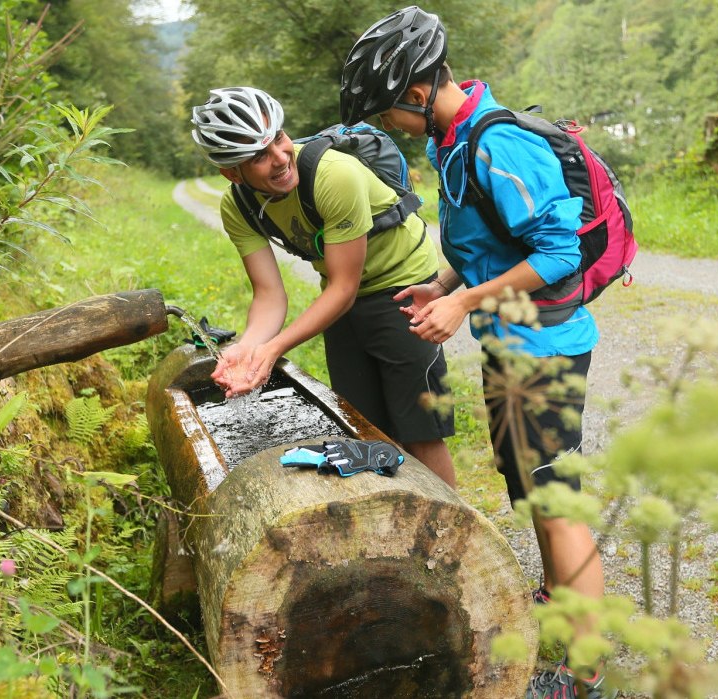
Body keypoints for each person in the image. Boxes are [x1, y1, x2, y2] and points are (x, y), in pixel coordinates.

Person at [342, 7, 611, 699]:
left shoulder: (498, 143)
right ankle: (558, 599)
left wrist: (461, 304)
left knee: (555, 498)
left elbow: (557, 252)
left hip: (545, 345)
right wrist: (440, 284)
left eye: (388, 111)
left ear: (417, 91)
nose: (389, 126)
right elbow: (488, 241)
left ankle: (584, 675)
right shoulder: (452, 141)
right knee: (527, 482)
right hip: (507, 342)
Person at [189, 86, 457, 486]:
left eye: (278, 139)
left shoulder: (335, 174)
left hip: (403, 284)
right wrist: (247, 347)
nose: (281, 159)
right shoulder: (238, 206)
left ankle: (455, 534)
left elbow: (343, 288)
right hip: (343, 297)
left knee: (420, 430)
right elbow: (268, 294)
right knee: (361, 427)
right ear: (232, 172)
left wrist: (274, 348)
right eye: (259, 156)